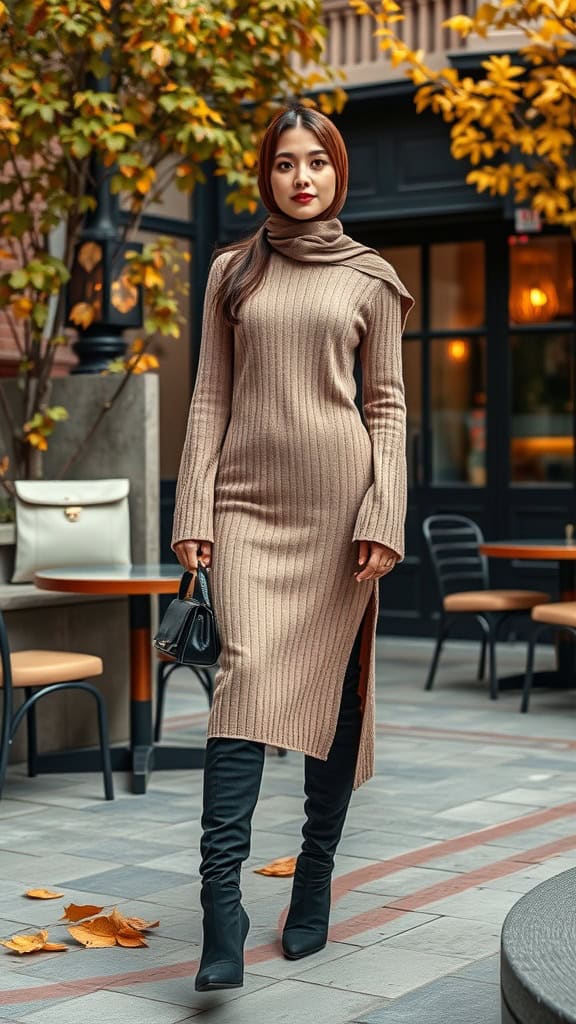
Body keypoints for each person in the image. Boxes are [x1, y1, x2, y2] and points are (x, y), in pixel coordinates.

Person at [172, 104, 414, 993]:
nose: (301, 177)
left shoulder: (372, 279)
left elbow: (385, 407)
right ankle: (220, 913)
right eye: (285, 163)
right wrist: (192, 507)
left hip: (341, 516)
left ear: (338, 173)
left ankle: (313, 875)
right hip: (243, 507)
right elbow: (207, 398)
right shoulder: (232, 271)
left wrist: (383, 515)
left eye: (317, 162)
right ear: (264, 174)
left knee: (332, 707)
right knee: (239, 690)